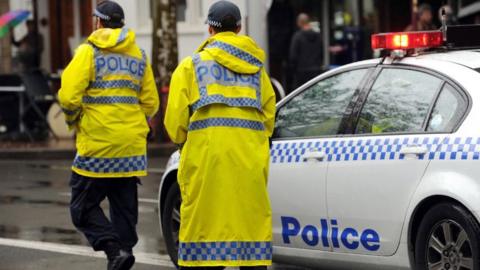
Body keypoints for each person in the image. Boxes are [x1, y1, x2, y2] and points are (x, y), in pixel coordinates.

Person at [164, 1, 276, 269]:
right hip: (249, 160)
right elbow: (269, 117)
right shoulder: (257, 70)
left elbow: (175, 123)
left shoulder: (191, 66)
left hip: (206, 162)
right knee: (250, 226)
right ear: (239, 28)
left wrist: (183, 141)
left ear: (210, 29)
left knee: (205, 233)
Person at [58, 1, 159, 270]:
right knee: (124, 208)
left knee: (81, 207)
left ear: (98, 22)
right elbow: (151, 103)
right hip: (131, 148)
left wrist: (73, 120)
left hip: (98, 146)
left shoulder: (88, 52)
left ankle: (114, 251)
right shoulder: (139, 55)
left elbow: (68, 97)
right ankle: (123, 253)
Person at [289, 13, 323, 90]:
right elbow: (321, 53)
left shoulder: (297, 37)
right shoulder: (318, 36)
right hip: (316, 72)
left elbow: (293, 56)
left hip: (301, 74)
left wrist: (294, 69)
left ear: (299, 23)